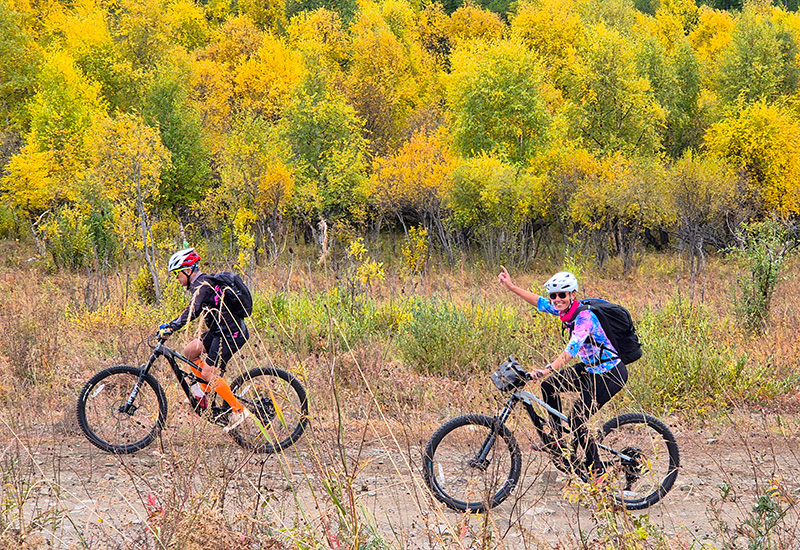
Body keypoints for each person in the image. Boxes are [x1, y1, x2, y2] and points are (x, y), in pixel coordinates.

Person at [498, 266, 628, 482]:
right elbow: (538, 302)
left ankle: (598, 473)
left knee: (578, 418)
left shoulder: (584, 317)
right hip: (589, 369)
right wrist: (511, 287)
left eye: (562, 295)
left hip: (610, 374)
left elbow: (571, 350)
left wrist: (547, 368)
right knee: (549, 387)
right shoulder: (563, 310)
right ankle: (557, 440)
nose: (556, 299)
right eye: (554, 295)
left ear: (572, 295)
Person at [159, 247, 250, 431]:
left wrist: (172, 326)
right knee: (190, 351)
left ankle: (239, 411)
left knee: (209, 373)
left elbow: (193, 310)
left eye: (177, 274)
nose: (177, 279)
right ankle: (203, 391)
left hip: (231, 332)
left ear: (187, 270)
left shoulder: (202, 284)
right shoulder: (200, 283)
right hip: (219, 330)